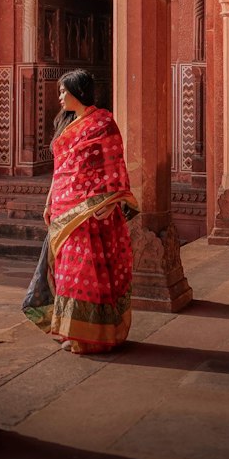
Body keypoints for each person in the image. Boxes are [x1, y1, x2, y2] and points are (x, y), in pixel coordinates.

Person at [22, 68, 136, 353]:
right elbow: (60, 169)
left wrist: (109, 204)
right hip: (64, 207)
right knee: (66, 273)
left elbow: (113, 165)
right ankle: (71, 329)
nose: (59, 96)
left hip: (91, 211)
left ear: (77, 92)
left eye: (63, 91)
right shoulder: (68, 124)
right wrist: (49, 201)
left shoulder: (103, 124)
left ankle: (91, 336)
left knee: (87, 273)